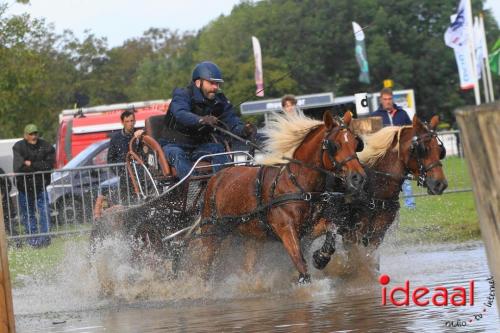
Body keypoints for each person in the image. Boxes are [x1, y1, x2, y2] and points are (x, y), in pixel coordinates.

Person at [160, 61, 256, 179]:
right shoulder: (182, 94)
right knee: (178, 154)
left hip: (198, 146)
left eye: (217, 84)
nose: (216, 87)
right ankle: (192, 190)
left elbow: (231, 120)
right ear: (198, 82)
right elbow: (180, 113)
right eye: (211, 83)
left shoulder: (219, 100)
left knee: (218, 149)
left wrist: (244, 130)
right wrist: (201, 119)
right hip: (173, 145)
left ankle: (223, 187)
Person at [371, 88, 415, 209]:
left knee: (405, 180)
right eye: (385, 99)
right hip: (385, 155)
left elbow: (410, 131)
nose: (388, 102)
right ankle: (384, 204)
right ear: (381, 100)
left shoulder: (402, 113)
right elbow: (374, 137)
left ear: (393, 99)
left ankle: (410, 205)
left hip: (401, 154)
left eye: (390, 99)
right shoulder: (375, 116)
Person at [13, 124, 55, 247]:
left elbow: (49, 166)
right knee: (28, 214)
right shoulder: (18, 147)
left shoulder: (46, 146)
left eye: (35, 133)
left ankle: (45, 239)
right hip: (24, 187)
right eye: (31, 134)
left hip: (41, 186)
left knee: (45, 212)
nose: (34, 136)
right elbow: (18, 168)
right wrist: (38, 166)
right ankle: (33, 241)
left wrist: (30, 164)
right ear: (25, 135)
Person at [106, 110, 143, 204]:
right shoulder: (116, 138)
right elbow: (110, 159)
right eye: (127, 121)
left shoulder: (139, 134)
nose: (130, 124)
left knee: (143, 198)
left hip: (140, 175)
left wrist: (143, 132)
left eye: (132, 121)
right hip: (124, 177)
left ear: (135, 121)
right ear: (122, 122)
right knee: (127, 202)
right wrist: (119, 172)